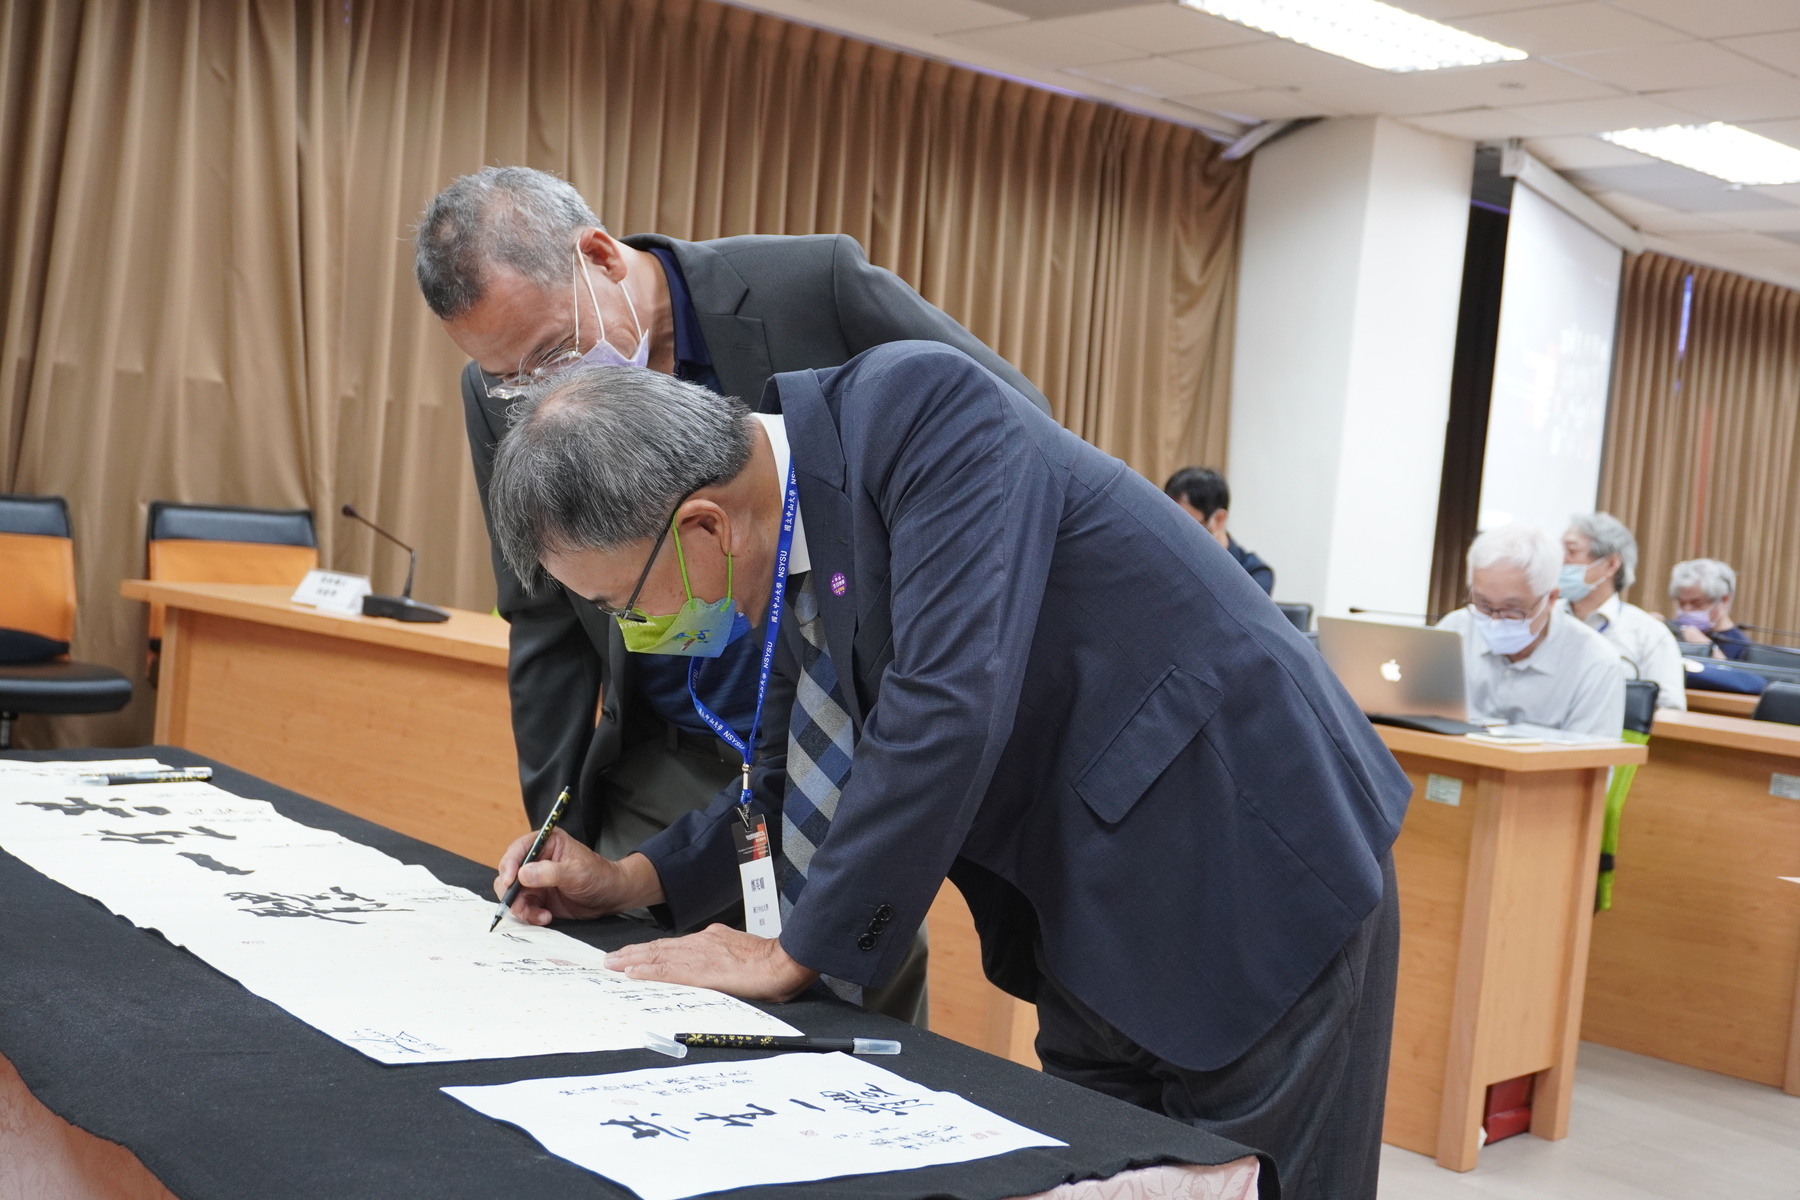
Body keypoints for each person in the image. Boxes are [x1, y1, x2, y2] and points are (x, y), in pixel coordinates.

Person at [483, 346, 1412, 1200]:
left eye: (620, 602)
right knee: (1112, 1166)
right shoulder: (792, 524)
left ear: (702, 525)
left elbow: (946, 709)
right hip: (1090, 909)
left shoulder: (922, 412)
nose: (632, 631)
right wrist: (631, 879)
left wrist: (793, 952)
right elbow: (784, 770)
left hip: (1251, 860)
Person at [414, 168, 1048, 1025]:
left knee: (844, 1005)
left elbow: (1008, 435)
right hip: (671, 751)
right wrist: (558, 816)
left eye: (554, 352)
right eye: (514, 380)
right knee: (640, 1007)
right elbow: (542, 616)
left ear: (599, 255)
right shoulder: (502, 395)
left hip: (854, 734)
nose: (544, 390)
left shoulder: (809, 289)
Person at [1437, 524, 1625, 741]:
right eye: (1483, 605)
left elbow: (1592, 764)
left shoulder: (1595, 662)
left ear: (1551, 599)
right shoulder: (1454, 632)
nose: (1495, 621)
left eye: (1512, 610)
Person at [1560, 513, 1685, 711]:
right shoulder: (1543, 619)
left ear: (1610, 564)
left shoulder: (1649, 633)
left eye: (1571, 551)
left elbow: (1670, 709)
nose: (1560, 560)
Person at [1163, 467, 1274, 594]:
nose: (1178, 534)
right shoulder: (1168, 560)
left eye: (1187, 525)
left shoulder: (1254, 575)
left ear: (1219, 519)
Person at [1668, 559, 1750, 661]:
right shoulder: (1674, 631)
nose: (1686, 610)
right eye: (1681, 603)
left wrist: (1708, 650)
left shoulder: (1741, 647)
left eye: (1697, 603)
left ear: (1724, 599)